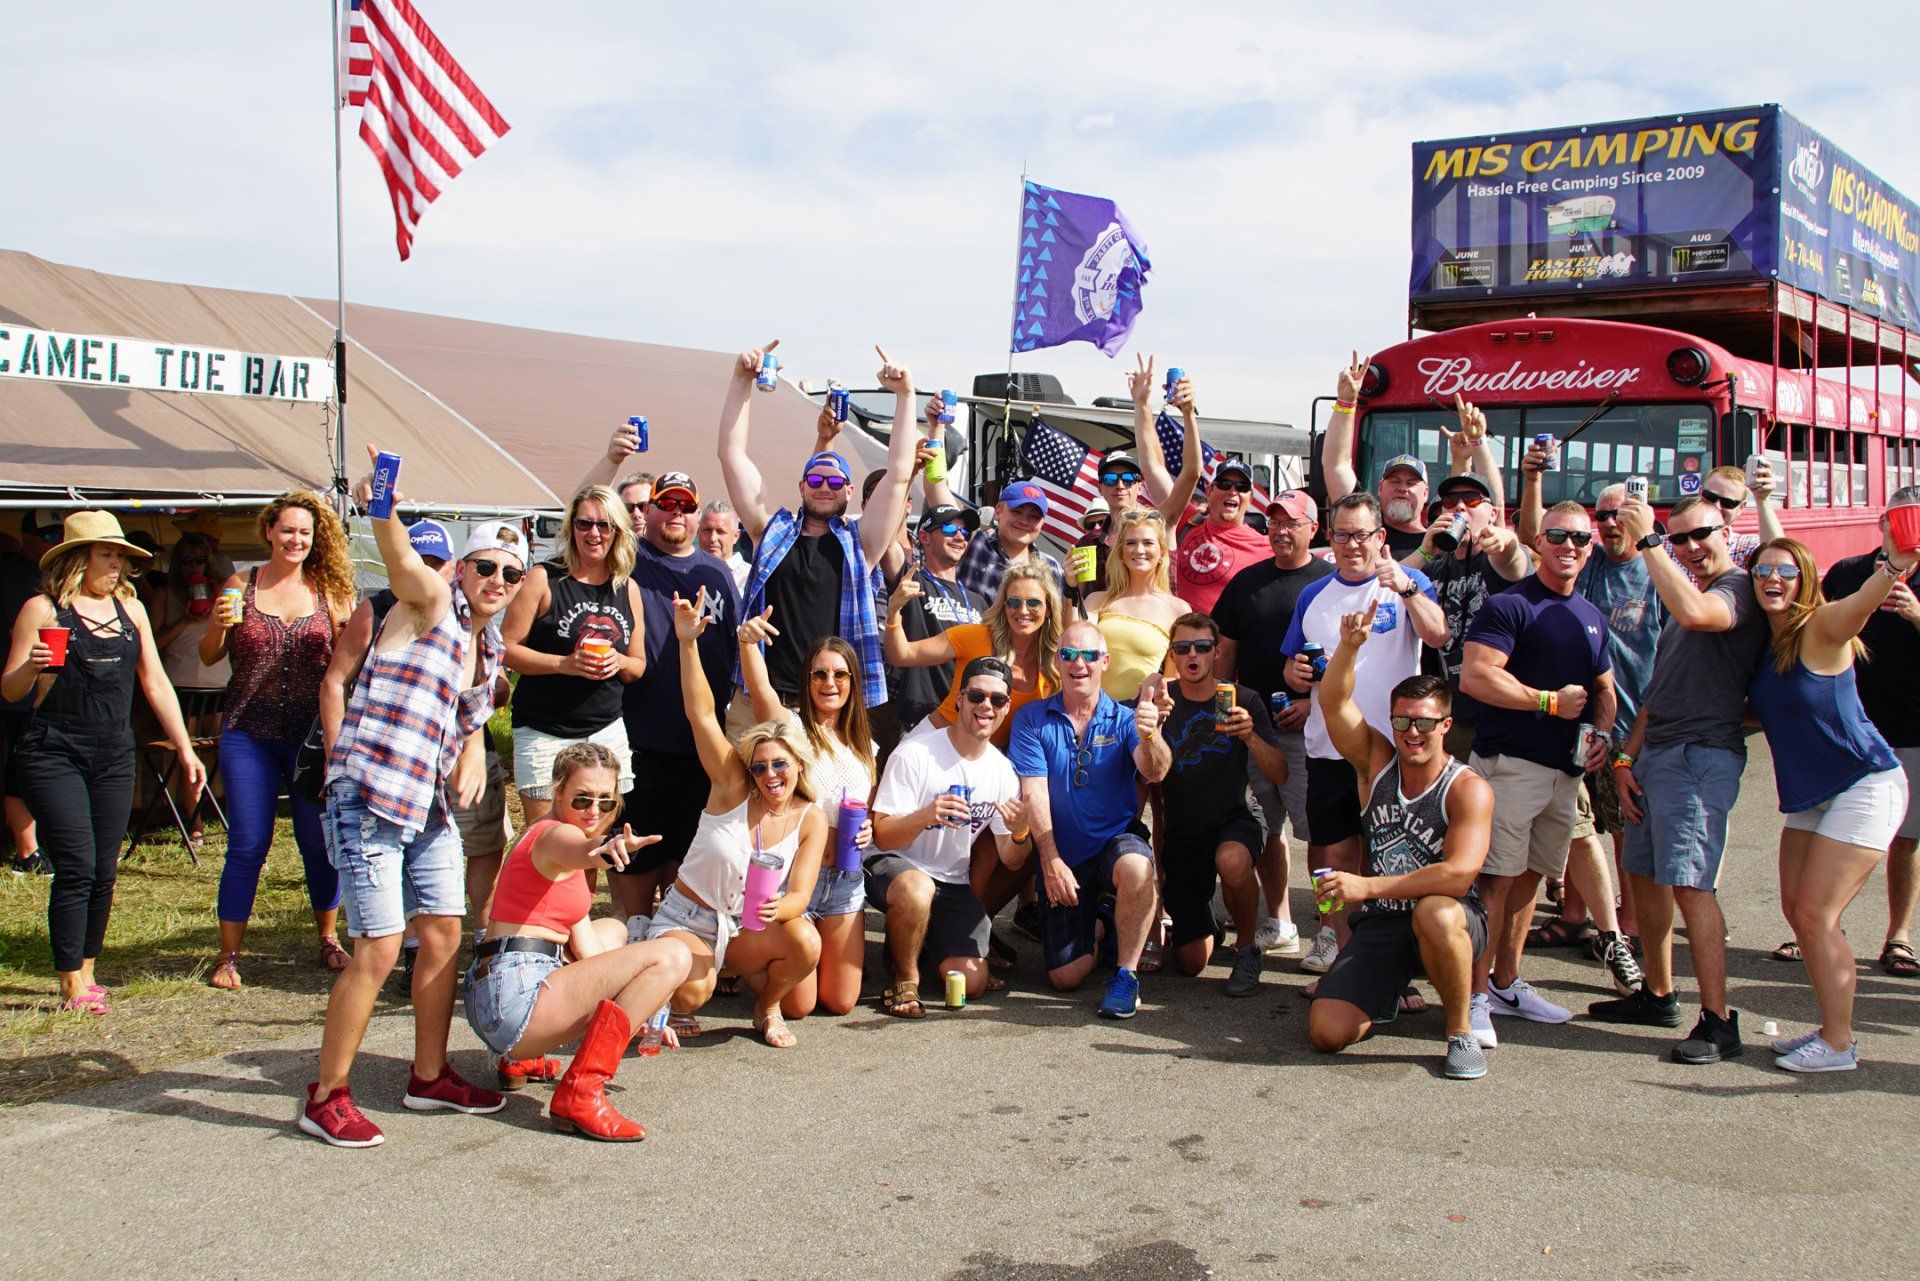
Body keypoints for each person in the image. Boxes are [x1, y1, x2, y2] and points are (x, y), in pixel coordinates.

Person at [300, 450, 525, 1149]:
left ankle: (429, 1075)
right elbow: (398, 556)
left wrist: (470, 759)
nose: (496, 580)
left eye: (511, 574)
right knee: (378, 945)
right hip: (369, 795)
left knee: (447, 932)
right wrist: (386, 501)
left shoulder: (488, 656)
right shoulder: (429, 602)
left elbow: (465, 721)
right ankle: (325, 1094)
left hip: (426, 808)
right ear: (460, 568)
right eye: (485, 566)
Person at [2, 512, 207, 1013]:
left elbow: (155, 683)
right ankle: (70, 979)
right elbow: (10, 689)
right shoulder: (43, 609)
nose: (117, 564)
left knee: (104, 868)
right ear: (79, 558)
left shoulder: (130, 611)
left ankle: (89, 968)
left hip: (114, 753)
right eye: (106, 555)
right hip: (53, 749)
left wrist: (185, 746)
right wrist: (30, 666)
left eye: (120, 556)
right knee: (77, 864)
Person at [1591, 494, 1769, 1064]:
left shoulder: (1733, 588)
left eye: (1702, 535)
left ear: (1728, 532)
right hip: (1656, 756)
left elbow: (1699, 615)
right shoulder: (1684, 592)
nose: (1692, 547)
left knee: (1693, 886)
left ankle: (1718, 1021)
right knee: (1643, 876)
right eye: (1681, 538)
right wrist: (1626, 761)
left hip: (1699, 756)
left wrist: (1649, 545)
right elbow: (1655, 693)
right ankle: (1658, 993)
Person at [458, 742, 693, 1141]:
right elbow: (583, 851)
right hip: (515, 1000)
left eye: (606, 802)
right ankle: (582, 1091)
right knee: (672, 955)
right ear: (557, 792)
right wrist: (604, 850)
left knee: (615, 930)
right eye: (582, 799)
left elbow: (587, 951)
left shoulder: (555, 847)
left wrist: (640, 1007)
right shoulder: (557, 836)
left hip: (498, 990)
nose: (594, 812)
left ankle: (521, 1062)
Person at [1306, 603, 1495, 1081]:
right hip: (1383, 925)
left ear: (1446, 726)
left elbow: (1459, 875)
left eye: (1426, 723)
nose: (1413, 732)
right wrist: (1348, 649)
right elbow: (1333, 704)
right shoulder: (1377, 765)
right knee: (1326, 1032)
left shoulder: (1467, 787)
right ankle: (1381, 991)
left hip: (1453, 920)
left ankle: (1460, 1033)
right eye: (1403, 721)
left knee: (1435, 908)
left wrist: (1367, 888)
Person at [1746, 537, 1914, 1071]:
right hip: (1813, 794)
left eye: (1786, 572)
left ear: (1807, 581)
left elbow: (1862, 600)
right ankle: (1827, 1029)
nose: (1773, 579)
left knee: (1818, 914)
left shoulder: (1822, 627)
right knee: (1798, 911)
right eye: (1763, 570)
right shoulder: (1768, 646)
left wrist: (1892, 567)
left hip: (1865, 783)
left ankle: (1840, 1044)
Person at [1458, 502, 1616, 1046]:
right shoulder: (1508, 606)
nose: (1568, 546)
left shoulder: (1592, 615)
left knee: (1528, 879)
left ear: (1589, 547)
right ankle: (1475, 997)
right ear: (1538, 542)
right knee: (1494, 882)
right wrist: (1547, 703)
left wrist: (1602, 737)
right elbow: (1476, 679)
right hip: (1510, 766)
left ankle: (1506, 983)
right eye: (1557, 536)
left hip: (1563, 773)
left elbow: (1604, 690)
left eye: (1579, 539)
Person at [648, 588, 827, 1049]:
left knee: (805, 943)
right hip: (690, 918)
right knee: (691, 995)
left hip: (745, 925)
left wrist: (777, 910)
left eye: (780, 764)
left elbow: (801, 893)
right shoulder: (731, 788)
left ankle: (764, 1007)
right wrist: (688, 643)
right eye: (761, 765)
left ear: (799, 766)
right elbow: (701, 714)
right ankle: (664, 968)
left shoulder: (811, 818)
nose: (770, 774)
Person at [1282, 493, 1447, 974]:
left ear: (1381, 538)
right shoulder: (1313, 593)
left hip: (1398, 748)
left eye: (1361, 535)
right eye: (1341, 534)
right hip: (1328, 743)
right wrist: (1295, 675)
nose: (1351, 545)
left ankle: (1387, 955)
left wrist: (1408, 590)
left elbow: (1438, 637)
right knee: (1334, 851)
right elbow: (1293, 667)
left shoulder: (1407, 582)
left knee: (1389, 855)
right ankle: (1332, 937)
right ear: (1328, 537)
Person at [197, 491, 355, 990]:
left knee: (317, 842)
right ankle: (228, 954)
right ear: (268, 531)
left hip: (311, 736)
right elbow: (207, 657)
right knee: (247, 843)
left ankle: (329, 939)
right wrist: (218, 629)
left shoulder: (330, 591)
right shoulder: (241, 584)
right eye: (287, 530)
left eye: (305, 532)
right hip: (248, 731)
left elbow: (349, 665)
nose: (296, 540)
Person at [719, 341, 918, 720]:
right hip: (762, 700)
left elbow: (898, 474)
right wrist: (740, 381)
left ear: (848, 491)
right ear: (801, 486)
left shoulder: (862, 544)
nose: (823, 486)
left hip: (830, 710)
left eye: (834, 480)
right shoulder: (770, 532)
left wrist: (905, 395)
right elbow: (732, 455)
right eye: (814, 478)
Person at [1009, 619, 1171, 1017]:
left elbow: (1155, 771)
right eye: (1068, 654)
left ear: (1105, 662)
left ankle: (1126, 976)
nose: (1078, 663)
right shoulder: (1031, 719)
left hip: (1115, 840)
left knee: (1136, 865)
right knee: (1065, 977)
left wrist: (1151, 736)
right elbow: (1034, 794)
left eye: (1088, 655)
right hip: (1064, 853)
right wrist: (1049, 861)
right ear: (1057, 662)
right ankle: (1103, 920)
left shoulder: (1124, 718)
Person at [609, 471, 742, 936]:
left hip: (700, 745)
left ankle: (669, 952)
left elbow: (734, 649)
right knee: (636, 861)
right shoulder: (628, 560)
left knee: (686, 856)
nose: (677, 514)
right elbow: (582, 513)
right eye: (668, 503)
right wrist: (613, 458)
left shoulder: (717, 571)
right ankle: (631, 943)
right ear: (649, 510)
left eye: (686, 506)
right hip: (640, 736)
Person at [867, 657, 1030, 1016]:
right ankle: (905, 981)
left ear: (1006, 708)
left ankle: (915, 939)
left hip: (951, 880)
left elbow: (1013, 858)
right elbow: (882, 835)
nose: (986, 706)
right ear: (959, 700)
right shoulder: (917, 752)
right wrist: (926, 815)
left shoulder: (1003, 772)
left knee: (970, 982)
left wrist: (1020, 833)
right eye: (976, 696)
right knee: (917, 889)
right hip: (896, 864)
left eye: (998, 700)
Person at [736, 613, 876, 1018]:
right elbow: (761, 691)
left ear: (853, 682)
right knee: (800, 1006)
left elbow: (872, 809)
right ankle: (743, 960)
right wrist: (748, 644)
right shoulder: (793, 728)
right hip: (798, 879)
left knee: (841, 1002)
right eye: (819, 674)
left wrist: (869, 829)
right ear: (807, 679)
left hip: (847, 881)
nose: (829, 684)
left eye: (840, 675)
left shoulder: (865, 744)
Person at [1215, 490, 1334, 956]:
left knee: (1321, 834)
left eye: (1292, 522)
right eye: (1274, 521)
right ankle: (1280, 920)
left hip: (1311, 730)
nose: (1281, 530)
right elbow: (1225, 657)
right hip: (1252, 729)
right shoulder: (1247, 582)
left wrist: (1314, 703)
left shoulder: (1330, 583)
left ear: (1313, 528)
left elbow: (1350, 662)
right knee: (1266, 828)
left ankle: (1329, 932)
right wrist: (1226, 722)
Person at [1555, 483, 1665, 971]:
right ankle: (1574, 913)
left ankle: (1630, 925)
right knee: (1580, 826)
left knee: (1626, 830)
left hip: (1635, 723)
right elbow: (1541, 536)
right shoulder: (1591, 563)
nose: (1611, 523)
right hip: (1585, 723)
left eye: (1623, 514)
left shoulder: (1659, 575)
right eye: (1604, 515)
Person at [1157, 613, 1289, 995]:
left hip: (1236, 817)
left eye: (1201, 647)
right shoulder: (1161, 698)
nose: (1192, 655)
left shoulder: (1241, 699)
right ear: (1173, 655)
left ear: (1217, 652)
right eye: (1183, 648)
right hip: (1184, 832)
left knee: (1231, 861)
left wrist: (1249, 737)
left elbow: (1279, 773)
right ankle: (1207, 925)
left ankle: (1246, 948)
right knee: (1191, 963)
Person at [1818, 488, 1920, 980]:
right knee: (1831, 831)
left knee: (1905, 838)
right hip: (1849, 725)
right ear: (1882, 522)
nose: (1904, 530)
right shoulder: (1848, 572)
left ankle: (1897, 935)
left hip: (1913, 726)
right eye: (1898, 519)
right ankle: (1817, 927)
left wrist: (1917, 615)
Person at [502, 485, 647, 825]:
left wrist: (620, 661)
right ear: (571, 528)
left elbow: (638, 665)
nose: (594, 533)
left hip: (605, 731)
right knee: (545, 841)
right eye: (584, 524)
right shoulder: (545, 578)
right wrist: (563, 664)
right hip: (544, 732)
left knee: (591, 844)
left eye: (604, 525)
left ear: (618, 532)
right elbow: (506, 648)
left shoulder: (627, 587)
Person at [1411, 460, 1528, 759]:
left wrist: (1507, 541)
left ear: (1492, 513)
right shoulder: (1435, 568)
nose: (1460, 507)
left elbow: (1514, 560)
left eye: (1472, 500)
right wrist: (1426, 549)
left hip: (1507, 713)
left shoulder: (1497, 558)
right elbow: (1382, 588)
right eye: (1451, 501)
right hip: (1458, 714)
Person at [885, 564, 1061, 750]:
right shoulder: (977, 636)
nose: (1023, 611)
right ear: (1004, 606)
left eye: (1033, 603)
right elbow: (901, 655)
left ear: (1048, 608)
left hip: (985, 761)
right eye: (1014, 602)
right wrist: (894, 610)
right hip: (932, 744)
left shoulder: (1055, 663)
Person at [149, 529, 233, 850]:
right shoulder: (166, 595)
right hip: (180, 685)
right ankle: (195, 825)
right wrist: (183, 621)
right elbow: (152, 646)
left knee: (224, 753)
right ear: (177, 564)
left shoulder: (223, 593)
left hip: (218, 683)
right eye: (186, 561)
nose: (194, 567)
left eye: (200, 560)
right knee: (189, 756)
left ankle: (226, 816)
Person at [881, 504, 986, 743]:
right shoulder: (912, 581)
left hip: (968, 721)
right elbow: (884, 540)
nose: (960, 537)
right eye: (949, 528)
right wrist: (908, 475)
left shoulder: (978, 601)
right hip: (922, 718)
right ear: (925, 537)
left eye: (965, 533)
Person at [1, 510, 62, 877]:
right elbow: (18, 638)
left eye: (59, 535)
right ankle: (28, 853)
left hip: (45, 693)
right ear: (28, 537)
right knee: (19, 769)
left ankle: (45, 847)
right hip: (22, 690)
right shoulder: (16, 577)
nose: (53, 542)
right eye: (48, 535)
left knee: (38, 768)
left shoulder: (45, 575)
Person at [1086, 508, 1189, 701]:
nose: (1139, 550)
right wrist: (1071, 588)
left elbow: (1173, 680)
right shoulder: (1096, 601)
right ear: (1121, 553)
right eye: (1131, 543)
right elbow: (1076, 650)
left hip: (1140, 716)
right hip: (1091, 714)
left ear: (1161, 552)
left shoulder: (1179, 610)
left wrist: (1158, 681)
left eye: (1148, 543)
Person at [1171, 456, 1270, 617]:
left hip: (1225, 641)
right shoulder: (1187, 522)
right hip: (1180, 639)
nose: (1232, 491)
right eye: (1224, 484)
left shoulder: (1266, 547)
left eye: (1242, 487)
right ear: (1209, 491)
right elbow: (1155, 470)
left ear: (1250, 498)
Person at [956, 479, 1065, 603]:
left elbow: (1060, 620)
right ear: (998, 512)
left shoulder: (1052, 568)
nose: (1024, 521)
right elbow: (945, 506)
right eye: (1016, 512)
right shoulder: (974, 542)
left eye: (1034, 516)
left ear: (1042, 523)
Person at [698, 500, 751, 594]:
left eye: (720, 531)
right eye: (707, 530)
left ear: (736, 536)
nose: (713, 538)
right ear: (698, 532)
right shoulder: (684, 572)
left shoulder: (750, 578)